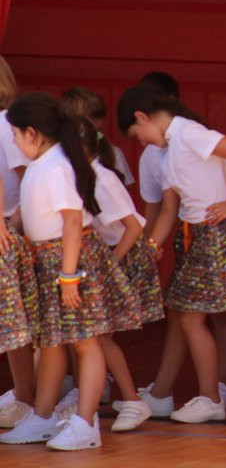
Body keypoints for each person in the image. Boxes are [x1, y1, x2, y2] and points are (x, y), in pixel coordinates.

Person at [0, 93, 141, 450]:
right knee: (52, 341)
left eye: (16, 134)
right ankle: (44, 417)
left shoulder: (58, 166)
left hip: (68, 262)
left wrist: (69, 275)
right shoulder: (40, 165)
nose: (13, 142)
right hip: (48, 261)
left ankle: (85, 422)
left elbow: (73, 221)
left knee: (85, 341)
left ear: (32, 133)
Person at [117, 84, 226, 424]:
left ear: (142, 116)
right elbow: (167, 211)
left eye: (139, 135)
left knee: (192, 318)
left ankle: (211, 398)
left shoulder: (188, 133)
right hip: (195, 236)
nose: (143, 143)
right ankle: (161, 395)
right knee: (179, 313)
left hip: (214, 235)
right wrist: (149, 249)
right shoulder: (170, 147)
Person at [81, 119, 163, 432]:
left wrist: (111, 264)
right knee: (96, 336)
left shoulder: (100, 179)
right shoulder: (83, 174)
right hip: (111, 258)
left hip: (123, 257)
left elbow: (134, 226)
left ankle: (132, 400)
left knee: (100, 336)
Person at [0, 57, 37, 430]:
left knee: (13, 322)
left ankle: (26, 395)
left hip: (10, 234)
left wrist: (13, 221)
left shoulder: (6, 125)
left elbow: (28, 177)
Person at [58, 87, 135, 186]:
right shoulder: (51, 155)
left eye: (97, 131)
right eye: (85, 131)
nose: (93, 137)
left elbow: (124, 191)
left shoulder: (113, 153)